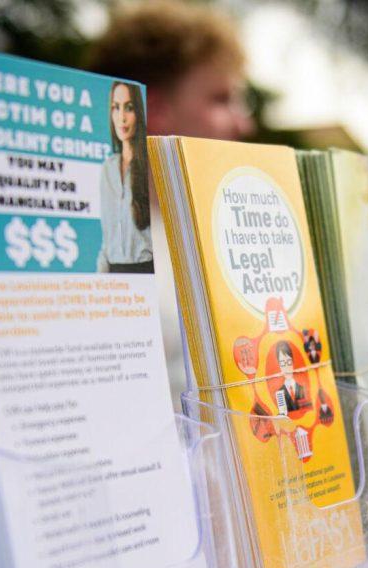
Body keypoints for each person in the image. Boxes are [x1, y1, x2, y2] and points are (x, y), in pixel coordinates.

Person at [88, 1, 254, 407]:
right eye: (220, 99)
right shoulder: (95, 242)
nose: (243, 123)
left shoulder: (222, 227)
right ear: (155, 110)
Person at [97, 81, 154, 273]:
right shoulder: (108, 168)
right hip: (113, 274)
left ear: (139, 112)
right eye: (116, 108)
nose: (121, 117)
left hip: (146, 271)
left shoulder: (150, 166)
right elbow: (107, 239)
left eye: (129, 108)